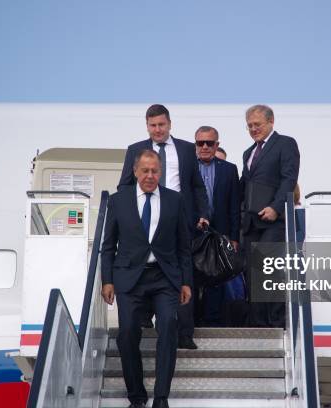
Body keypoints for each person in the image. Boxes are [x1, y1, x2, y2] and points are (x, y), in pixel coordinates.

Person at [101, 150, 192, 408]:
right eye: (145, 171)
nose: (150, 176)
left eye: (155, 171)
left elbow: (184, 246)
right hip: (130, 279)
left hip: (165, 278)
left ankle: (161, 397)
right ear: (135, 171)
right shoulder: (119, 201)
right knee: (128, 333)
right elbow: (108, 246)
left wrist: (186, 282)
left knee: (168, 327)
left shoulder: (175, 200)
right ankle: (137, 397)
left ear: (160, 172)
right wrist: (107, 280)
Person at [118, 104, 208, 349]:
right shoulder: (135, 150)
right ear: (147, 126)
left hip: (177, 222)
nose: (157, 130)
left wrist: (203, 213)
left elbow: (197, 186)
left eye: (161, 124)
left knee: (182, 275)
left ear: (170, 124)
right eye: (152, 125)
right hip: (145, 221)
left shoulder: (188, 150)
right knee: (147, 271)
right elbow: (124, 186)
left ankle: (185, 334)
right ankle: (146, 323)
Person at [240, 104, 300, 327]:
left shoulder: (285, 144)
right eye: (250, 126)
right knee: (253, 272)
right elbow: (245, 184)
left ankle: (275, 323)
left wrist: (276, 207)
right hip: (251, 222)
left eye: (258, 124)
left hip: (274, 220)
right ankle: (257, 324)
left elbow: (288, 179)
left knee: (270, 270)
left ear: (271, 121)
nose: (254, 129)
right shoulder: (248, 152)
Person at [193, 126, 241, 325]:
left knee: (216, 278)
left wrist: (234, 237)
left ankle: (212, 321)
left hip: (219, 234)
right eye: (200, 143)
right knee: (191, 278)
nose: (204, 146)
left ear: (217, 145)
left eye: (209, 143)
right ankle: (192, 321)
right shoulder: (186, 168)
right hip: (192, 232)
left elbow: (234, 206)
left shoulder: (229, 169)